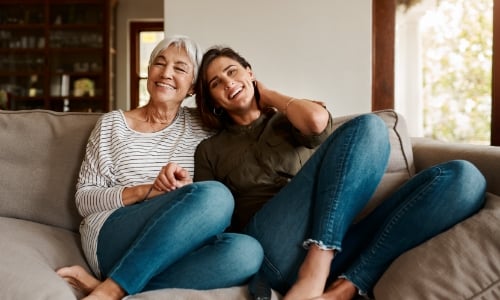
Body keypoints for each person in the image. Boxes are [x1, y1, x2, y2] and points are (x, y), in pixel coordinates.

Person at [193, 46, 487, 300]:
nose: (228, 83)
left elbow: (317, 121)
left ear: (250, 72)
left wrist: (269, 95)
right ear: (214, 100)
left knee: (464, 178)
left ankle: (345, 286)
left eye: (233, 72)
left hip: (337, 236)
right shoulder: (210, 149)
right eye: (217, 83)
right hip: (273, 249)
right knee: (370, 127)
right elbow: (213, 221)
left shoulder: (289, 119)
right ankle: (316, 267)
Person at [56, 37, 263, 300]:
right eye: (159, 63)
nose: (166, 73)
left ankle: (110, 285)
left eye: (180, 68)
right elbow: (84, 200)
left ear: (192, 88)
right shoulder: (112, 125)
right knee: (216, 196)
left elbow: (249, 109)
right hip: (112, 237)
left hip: (170, 247)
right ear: (149, 71)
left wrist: (262, 90)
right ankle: (111, 290)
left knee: (247, 252)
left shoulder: (205, 127)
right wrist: (148, 191)